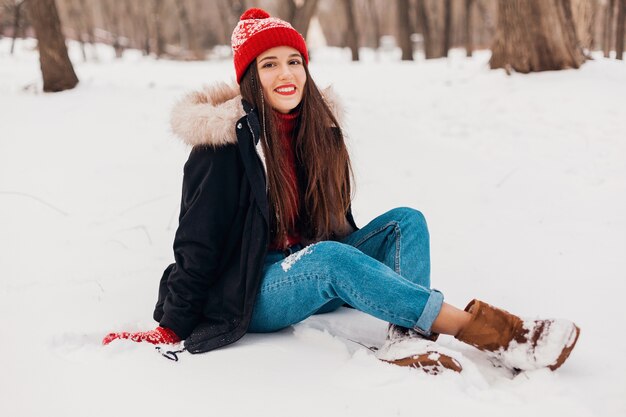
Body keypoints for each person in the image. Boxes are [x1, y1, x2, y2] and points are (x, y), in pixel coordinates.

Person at [103, 8, 580, 374]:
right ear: (250, 78)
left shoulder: (319, 132)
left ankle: (406, 339)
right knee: (328, 258)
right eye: (269, 65)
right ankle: (501, 335)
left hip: (316, 270)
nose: (286, 74)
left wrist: (358, 265)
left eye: (294, 61)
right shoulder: (223, 146)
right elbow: (197, 241)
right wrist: (172, 324)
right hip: (254, 290)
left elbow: (336, 223)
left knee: (405, 221)